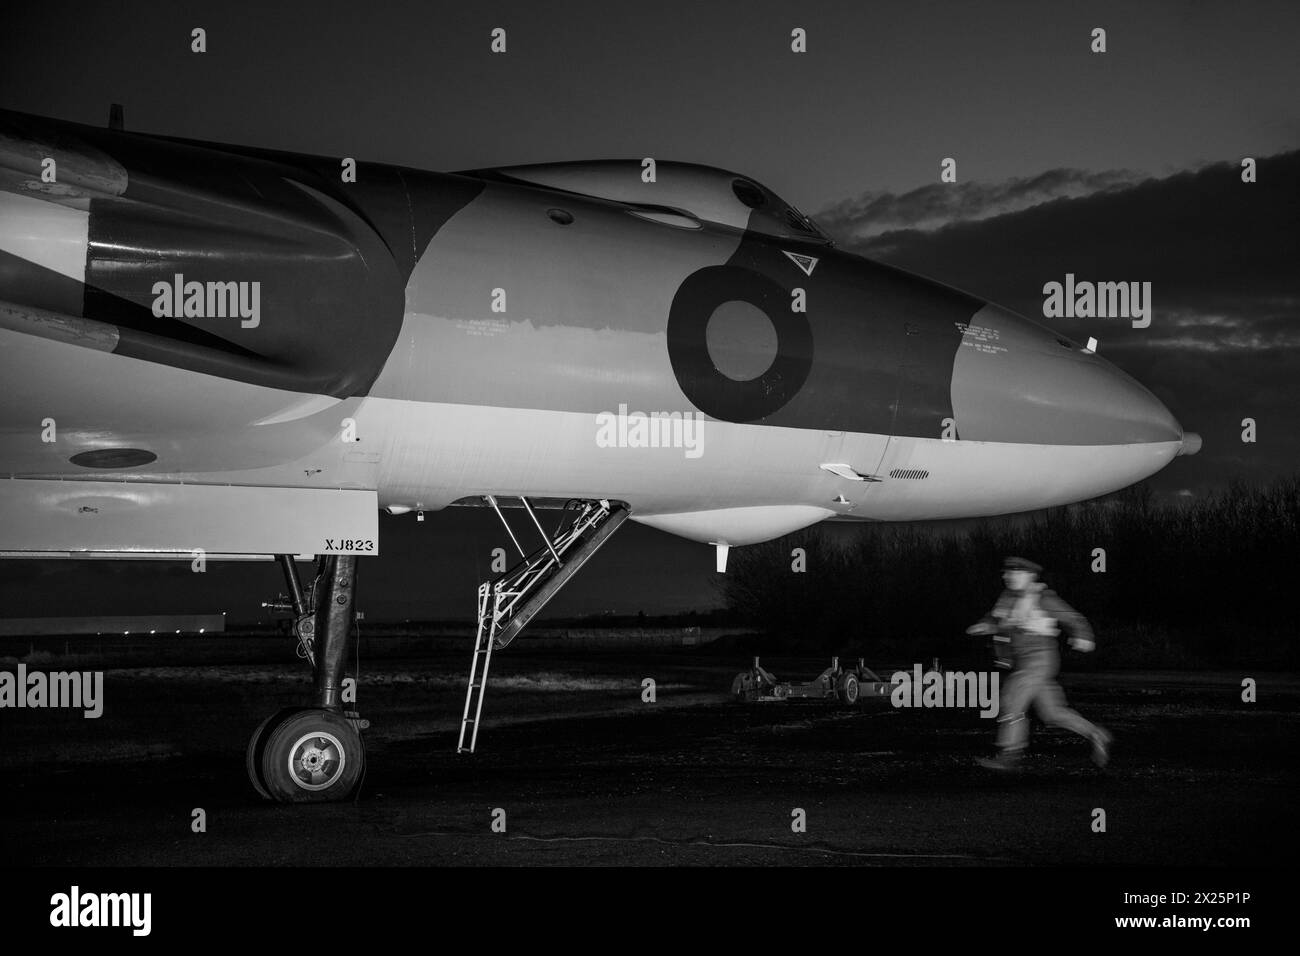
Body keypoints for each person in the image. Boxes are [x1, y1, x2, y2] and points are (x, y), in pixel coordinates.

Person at [966, 557, 1112, 770]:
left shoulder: (1043, 597)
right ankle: (1097, 734)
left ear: (1030, 576)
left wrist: (1084, 636)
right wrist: (986, 625)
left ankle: (1010, 753)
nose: (1007, 577)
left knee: (1012, 695)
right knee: (1052, 713)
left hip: (1040, 657)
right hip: (1024, 660)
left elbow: (1073, 618)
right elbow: (996, 618)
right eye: (1006, 573)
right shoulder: (1007, 598)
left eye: (1014, 573)